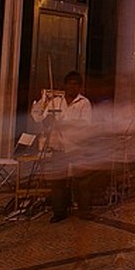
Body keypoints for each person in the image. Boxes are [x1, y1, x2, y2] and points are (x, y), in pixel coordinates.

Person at [30, 71, 94, 222]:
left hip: (77, 146)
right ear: (65, 86)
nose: (72, 87)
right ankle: (59, 212)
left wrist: (63, 124)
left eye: (75, 84)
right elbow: (39, 118)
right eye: (69, 84)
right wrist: (47, 116)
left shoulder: (84, 103)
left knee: (81, 181)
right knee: (58, 181)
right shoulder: (55, 102)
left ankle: (84, 210)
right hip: (58, 146)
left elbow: (85, 124)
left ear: (80, 87)